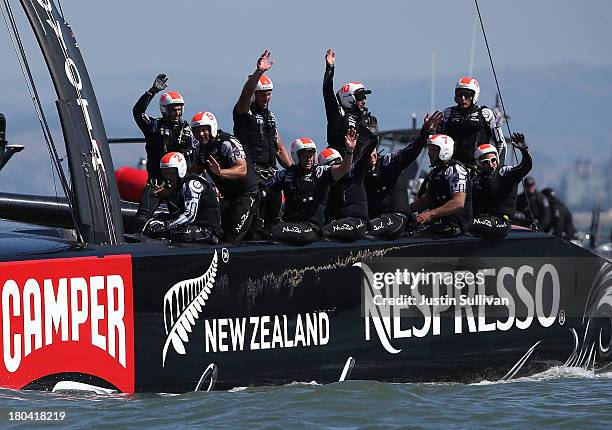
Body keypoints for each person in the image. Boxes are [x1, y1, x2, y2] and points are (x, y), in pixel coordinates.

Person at [233, 50, 292, 236]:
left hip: (270, 173)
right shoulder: (243, 112)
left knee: (274, 217)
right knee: (255, 217)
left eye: (268, 94)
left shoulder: (270, 117)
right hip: (252, 173)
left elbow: (279, 147)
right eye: (261, 95)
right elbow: (245, 95)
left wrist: (293, 169)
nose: (265, 98)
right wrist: (258, 72)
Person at [267, 130, 357, 245]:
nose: (309, 159)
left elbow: (342, 169)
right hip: (289, 224)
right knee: (265, 231)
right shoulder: (285, 175)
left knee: (275, 231)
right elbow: (267, 190)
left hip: (311, 228)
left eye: (311, 155)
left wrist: (349, 151)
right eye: (305, 156)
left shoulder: (320, 172)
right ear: (296, 156)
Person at [132, 74, 195, 231]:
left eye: (179, 109)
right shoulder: (153, 127)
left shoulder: (189, 131)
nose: (177, 113)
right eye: (173, 109)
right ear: (164, 110)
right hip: (156, 182)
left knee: (183, 221)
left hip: (180, 185)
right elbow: (137, 112)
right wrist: (152, 91)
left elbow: (195, 157)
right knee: (141, 219)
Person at [365, 112, 443, 239]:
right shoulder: (358, 171)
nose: (370, 155)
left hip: (395, 219)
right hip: (375, 218)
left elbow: (409, 152)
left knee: (366, 230)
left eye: (371, 151)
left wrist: (424, 134)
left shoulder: (387, 163)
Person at [192, 111, 259, 243]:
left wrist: (221, 172)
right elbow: (194, 170)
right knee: (216, 232)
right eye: (197, 131)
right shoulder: (201, 148)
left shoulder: (227, 143)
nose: (200, 134)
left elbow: (242, 169)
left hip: (246, 195)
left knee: (231, 237)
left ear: (212, 128)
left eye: (204, 130)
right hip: (228, 197)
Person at [143, 152, 221, 243]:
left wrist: (165, 225)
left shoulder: (191, 185)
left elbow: (189, 215)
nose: (168, 177)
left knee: (164, 233)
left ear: (180, 170)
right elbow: (182, 213)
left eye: (171, 173)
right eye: (165, 173)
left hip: (208, 231)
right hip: (195, 226)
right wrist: (162, 218)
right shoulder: (180, 186)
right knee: (155, 228)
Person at [470, 133, 532, 239]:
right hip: (482, 220)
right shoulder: (475, 179)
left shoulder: (505, 173)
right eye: (486, 162)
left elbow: (525, 167)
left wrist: (524, 151)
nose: (491, 164)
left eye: (493, 160)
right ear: (479, 164)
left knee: (468, 223)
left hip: (501, 222)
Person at [408, 134, 471, 237]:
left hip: (455, 223)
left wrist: (430, 214)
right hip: (439, 220)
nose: (429, 153)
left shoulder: (456, 171)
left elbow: (458, 202)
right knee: (407, 225)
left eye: (433, 150)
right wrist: (406, 210)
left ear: (444, 151)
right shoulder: (436, 172)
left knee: (413, 234)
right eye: (429, 150)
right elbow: (428, 199)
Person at [323, 48, 378, 163]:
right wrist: (330, 67)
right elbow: (328, 92)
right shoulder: (338, 116)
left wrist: (373, 137)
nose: (364, 101)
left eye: (365, 98)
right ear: (349, 98)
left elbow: (368, 151)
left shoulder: (367, 121)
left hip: (358, 171)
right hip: (339, 168)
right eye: (360, 98)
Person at [437, 77, 506, 167]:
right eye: (459, 95)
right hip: (453, 167)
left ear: (474, 96)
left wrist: (498, 169)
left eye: (467, 95)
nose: (463, 98)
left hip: (479, 168)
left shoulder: (486, 114)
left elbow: (501, 143)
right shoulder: (448, 113)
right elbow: (437, 141)